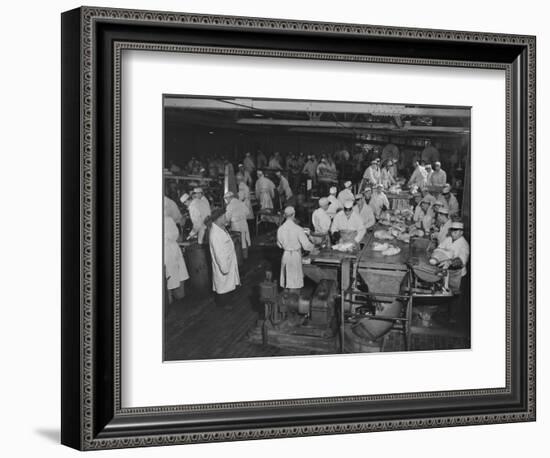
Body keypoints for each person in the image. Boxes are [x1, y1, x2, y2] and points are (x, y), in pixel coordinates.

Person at [207, 208, 241, 308]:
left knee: (227, 284)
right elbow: (219, 254)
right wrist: (224, 268)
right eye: (224, 216)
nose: (226, 218)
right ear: (218, 218)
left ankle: (226, 302)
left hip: (228, 261)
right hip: (224, 264)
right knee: (223, 285)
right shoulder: (215, 234)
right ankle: (222, 305)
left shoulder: (220, 228)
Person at [277, 206, 314, 291]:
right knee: (295, 283)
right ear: (293, 214)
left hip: (285, 255)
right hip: (295, 256)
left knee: (286, 281)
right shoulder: (298, 229)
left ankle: (286, 300)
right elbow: (307, 246)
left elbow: (279, 244)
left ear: (285, 215)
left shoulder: (280, 229)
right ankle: (293, 301)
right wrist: (314, 246)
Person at [164, 215, 189, 302]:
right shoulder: (169, 219)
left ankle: (170, 299)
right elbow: (176, 235)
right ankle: (177, 296)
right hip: (172, 249)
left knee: (169, 278)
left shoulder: (168, 220)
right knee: (176, 275)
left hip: (168, 251)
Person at [224, 191, 251, 260]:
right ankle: (245, 256)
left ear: (229, 198)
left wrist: (226, 223)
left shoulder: (229, 206)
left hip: (236, 225)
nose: (226, 200)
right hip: (244, 223)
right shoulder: (241, 203)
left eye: (226, 199)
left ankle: (239, 258)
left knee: (238, 241)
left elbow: (227, 218)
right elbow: (248, 212)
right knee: (244, 239)